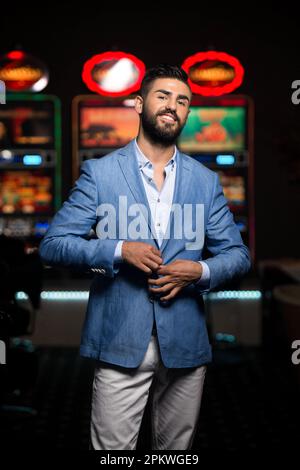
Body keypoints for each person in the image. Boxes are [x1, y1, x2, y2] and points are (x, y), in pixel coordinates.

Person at [39, 64, 251, 450]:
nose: (173, 106)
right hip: (120, 338)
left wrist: (200, 271)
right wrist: (120, 250)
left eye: (182, 101)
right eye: (163, 96)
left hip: (185, 340)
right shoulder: (100, 173)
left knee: (174, 454)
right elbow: (53, 244)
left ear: (188, 113)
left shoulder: (205, 182)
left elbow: (237, 255)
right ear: (138, 104)